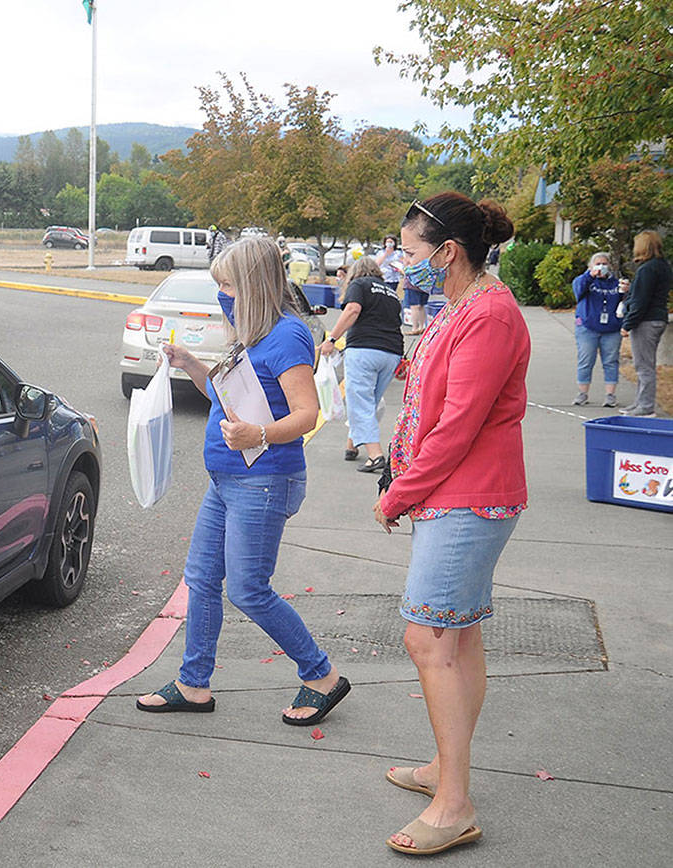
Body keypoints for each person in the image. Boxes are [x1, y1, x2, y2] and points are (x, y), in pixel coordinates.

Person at [136, 237, 350, 726]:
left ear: (252, 285)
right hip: (229, 479)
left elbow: (307, 413)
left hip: (265, 480)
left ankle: (322, 674)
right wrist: (190, 364)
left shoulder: (289, 335)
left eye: (227, 284)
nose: (221, 293)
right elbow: (226, 397)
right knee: (203, 579)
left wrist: (260, 434)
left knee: (249, 589)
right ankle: (193, 685)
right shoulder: (252, 333)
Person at [374, 192, 526, 856]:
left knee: (429, 639)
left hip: (468, 497)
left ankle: (454, 803)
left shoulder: (488, 316)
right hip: (454, 496)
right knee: (457, 641)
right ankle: (447, 770)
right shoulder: (460, 306)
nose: (401, 262)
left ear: (448, 253)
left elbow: (457, 428)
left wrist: (397, 493)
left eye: (409, 253)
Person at [320, 255, 402, 472]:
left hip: (364, 349)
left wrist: (331, 339)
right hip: (391, 353)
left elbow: (352, 310)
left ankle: (375, 455)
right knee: (369, 402)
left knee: (360, 404)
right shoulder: (390, 292)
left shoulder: (359, 284)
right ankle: (352, 445)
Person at [619, 230, 670, 417]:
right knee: (644, 364)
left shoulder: (647, 269)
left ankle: (646, 406)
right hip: (657, 317)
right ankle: (640, 402)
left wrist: (627, 324)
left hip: (646, 321)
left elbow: (641, 301)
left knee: (643, 366)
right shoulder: (663, 266)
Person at [570, 251, 623, 407]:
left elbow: (625, 302)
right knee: (586, 360)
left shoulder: (616, 283)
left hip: (611, 328)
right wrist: (590, 275)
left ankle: (610, 395)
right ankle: (582, 393)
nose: (601, 267)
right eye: (597, 264)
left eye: (604, 264)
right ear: (590, 266)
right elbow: (578, 291)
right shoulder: (585, 280)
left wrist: (626, 291)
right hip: (587, 327)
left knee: (611, 361)